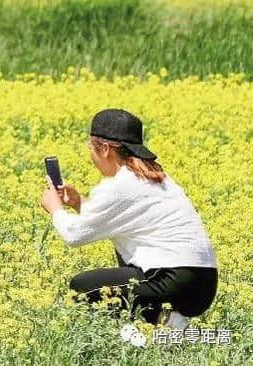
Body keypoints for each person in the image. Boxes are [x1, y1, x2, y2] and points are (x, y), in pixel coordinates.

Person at [41, 109, 218, 329]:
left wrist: (55, 207)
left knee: (82, 287)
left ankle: (167, 323)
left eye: (91, 148)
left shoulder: (122, 185)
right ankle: (165, 323)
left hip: (173, 281)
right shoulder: (152, 176)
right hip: (202, 283)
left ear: (105, 149)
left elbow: (74, 235)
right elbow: (113, 219)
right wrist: (78, 203)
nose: (91, 156)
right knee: (120, 265)